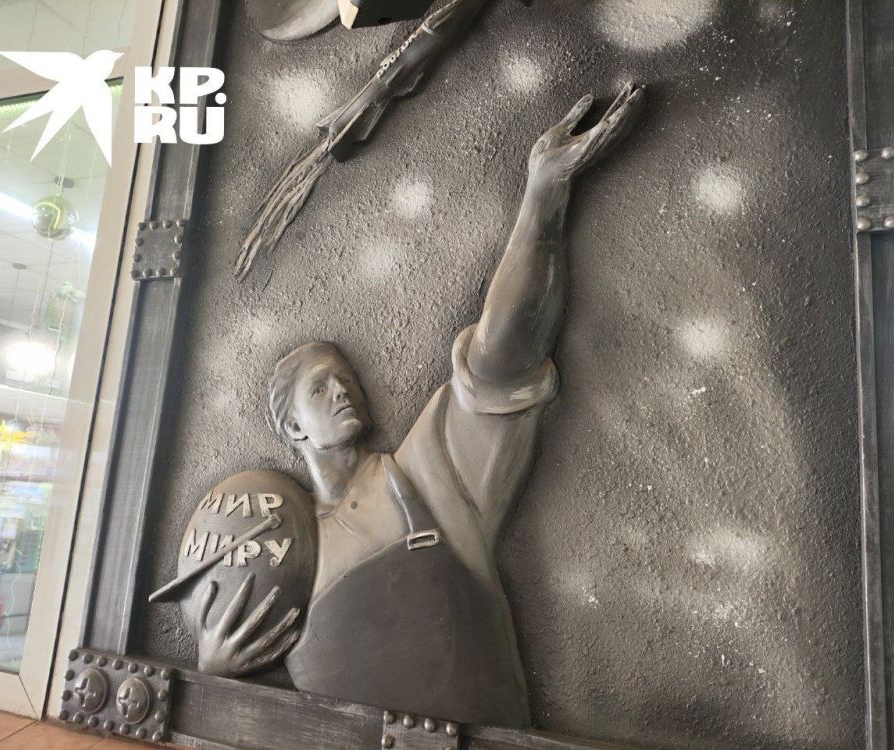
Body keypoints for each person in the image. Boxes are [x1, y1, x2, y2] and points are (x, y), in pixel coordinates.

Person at [198, 83, 644, 728]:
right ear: (291, 425)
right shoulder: (279, 555)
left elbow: (503, 356)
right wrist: (212, 672)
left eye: (347, 379)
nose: (344, 390)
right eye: (320, 387)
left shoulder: (425, 478)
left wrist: (543, 196)